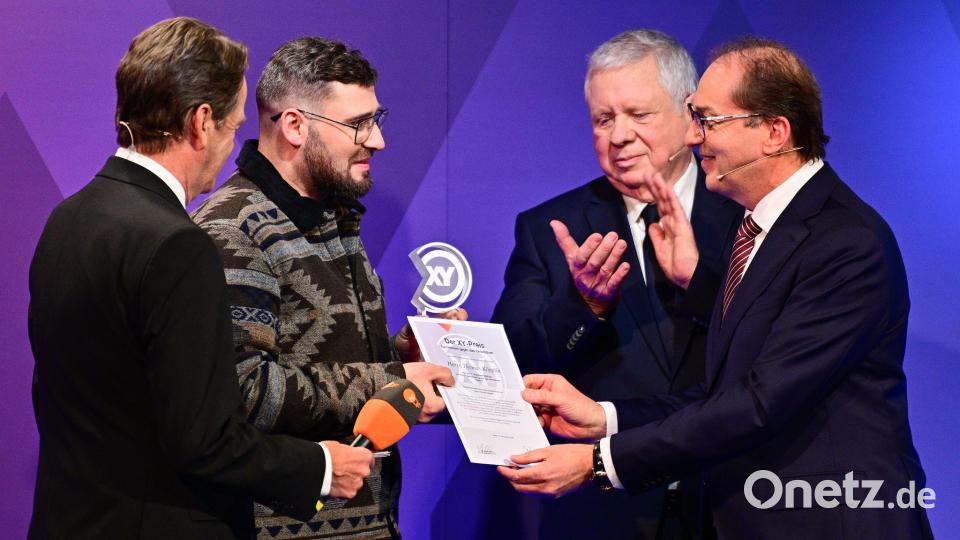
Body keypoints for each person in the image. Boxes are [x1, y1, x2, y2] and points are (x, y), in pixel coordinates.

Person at [499, 37, 933, 539]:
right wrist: (604, 417)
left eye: (708, 120)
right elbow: (719, 393)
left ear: (774, 131)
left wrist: (601, 462)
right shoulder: (763, 229)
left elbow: (757, 404)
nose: (693, 137)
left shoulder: (845, 243)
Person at [28, 18, 379, 540]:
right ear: (200, 122)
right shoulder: (178, 244)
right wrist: (321, 468)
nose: (233, 146)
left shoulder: (69, 217)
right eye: (235, 127)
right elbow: (205, 439)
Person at [192, 37, 459, 539]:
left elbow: (324, 355)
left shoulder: (333, 217)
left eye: (376, 119)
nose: (377, 140)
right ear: (295, 125)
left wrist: (401, 351)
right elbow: (244, 391)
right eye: (358, 124)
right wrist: (391, 380)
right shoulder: (232, 230)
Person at [491, 29, 739, 538]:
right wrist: (583, 306)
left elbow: (769, 352)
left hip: (733, 498)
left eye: (638, 114)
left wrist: (698, 280)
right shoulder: (551, 227)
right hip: (603, 514)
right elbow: (511, 362)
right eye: (603, 119)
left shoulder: (748, 214)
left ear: (690, 116)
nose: (618, 135)